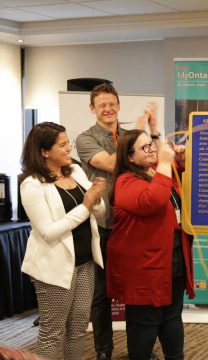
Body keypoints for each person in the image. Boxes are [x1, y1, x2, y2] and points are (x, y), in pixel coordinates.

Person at [75, 83, 159, 360]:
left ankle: (139, 352)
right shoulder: (85, 138)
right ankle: (103, 352)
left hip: (133, 226)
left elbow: (150, 162)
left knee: (135, 290)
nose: (108, 109)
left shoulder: (129, 135)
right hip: (102, 227)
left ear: (118, 105)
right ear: (92, 109)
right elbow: (112, 163)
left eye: (112, 103)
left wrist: (153, 131)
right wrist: (137, 132)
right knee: (101, 295)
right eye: (102, 105)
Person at [20, 122, 106, 360]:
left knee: (78, 330)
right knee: (52, 333)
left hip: (86, 262)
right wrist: (86, 205)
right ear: (44, 151)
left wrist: (96, 200)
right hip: (53, 267)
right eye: (63, 144)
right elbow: (48, 231)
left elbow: (99, 212)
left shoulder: (75, 171)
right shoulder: (32, 184)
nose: (70, 148)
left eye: (68, 142)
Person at [106, 129, 195, 360]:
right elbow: (152, 202)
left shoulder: (157, 173)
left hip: (171, 262)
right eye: (145, 147)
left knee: (172, 318)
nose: (153, 148)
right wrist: (165, 162)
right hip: (144, 269)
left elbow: (176, 189)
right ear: (130, 157)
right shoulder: (125, 181)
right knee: (145, 324)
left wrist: (181, 162)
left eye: (152, 144)